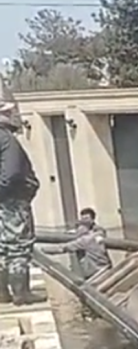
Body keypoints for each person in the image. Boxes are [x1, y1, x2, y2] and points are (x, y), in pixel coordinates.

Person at [0, 80, 45, 306]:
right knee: (17, 247)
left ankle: (2, 293)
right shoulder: (7, 140)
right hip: (12, 202)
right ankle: (21, 293)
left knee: (1, 248)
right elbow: (12, 173)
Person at [42, 208, 112, 280]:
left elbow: (63, 248)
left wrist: (43, 250)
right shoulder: (98, 234)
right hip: (104, 268)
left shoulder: (85, 240)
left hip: (95, 272)